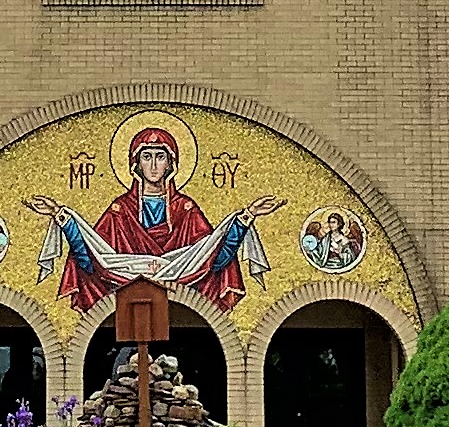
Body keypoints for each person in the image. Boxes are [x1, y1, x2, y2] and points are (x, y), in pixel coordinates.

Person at [26, 126, 284, 312]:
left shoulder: (186, 209)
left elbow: (213, 258)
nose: (153, 165)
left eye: (160, 156)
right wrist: (62, 217)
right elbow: (93, 258)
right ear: (135, 164)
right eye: (146, 156)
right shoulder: (120, 210)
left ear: (171, 164)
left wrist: (246, 217)